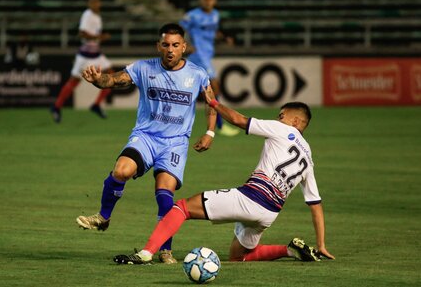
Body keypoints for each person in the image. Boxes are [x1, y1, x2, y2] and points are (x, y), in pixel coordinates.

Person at [113, 98, 335, 264]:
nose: (278, 118)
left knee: (181, 207)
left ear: (295, 121)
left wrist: (214, 103)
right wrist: (322, 244)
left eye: (281, 115)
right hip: (269, 214)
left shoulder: (283, 129)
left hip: (251, 198)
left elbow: (239, 120)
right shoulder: (308, 158)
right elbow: (315, 205)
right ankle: (289, 251)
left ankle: (146, 253)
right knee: (237, 257)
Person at [76, 23, 217, 264]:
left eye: (175, 45)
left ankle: (165, 250)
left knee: (164, 193)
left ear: (184, 47)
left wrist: (210, 133)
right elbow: (113, 80)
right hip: (146, 137)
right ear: (158, 46)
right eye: (165, 45)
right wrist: (97, 80)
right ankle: (103, 217)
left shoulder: (197, 74)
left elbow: (211, 103)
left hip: (175, 143)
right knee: (121, 171)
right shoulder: (143, 68)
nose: (170, 50)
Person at [179, 0, 238, 137]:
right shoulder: (192, 15)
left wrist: (225, 38)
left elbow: (214, 32)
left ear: (214, 0)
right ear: (200, 0)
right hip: (198, 55)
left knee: (185, 88)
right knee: (214, 88)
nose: (208, 1)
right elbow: (178, 30)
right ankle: (219, 125)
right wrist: (186, 46)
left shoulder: (215, 15)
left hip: (205, 55)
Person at [50, 0, 113, 123]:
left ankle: (96, 105)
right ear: (89, 4)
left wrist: (98, 37)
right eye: (92, 2)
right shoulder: (88, 15)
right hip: (85, 56)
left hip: (96, 54)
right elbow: (82, 33)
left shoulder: (97, 16)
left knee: (112, 76)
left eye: (96, 2)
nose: (94, 5)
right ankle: (56, 107)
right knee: (74, 82)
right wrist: (100, 37)